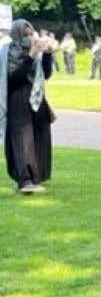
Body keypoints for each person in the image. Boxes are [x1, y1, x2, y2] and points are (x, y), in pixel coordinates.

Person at [1, 19, 58, 194]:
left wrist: (48, 54)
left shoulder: (37, 50)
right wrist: (30, 56)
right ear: (17, 34)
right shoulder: (7, 52)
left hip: (37, 99)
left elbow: (46, 74)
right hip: (17, 100)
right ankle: (24, 180)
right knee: (22, 140)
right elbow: (14, 79)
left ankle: (37, 177)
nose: (29, 37)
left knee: (40, 138)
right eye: (25, 34)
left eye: (30, 33)